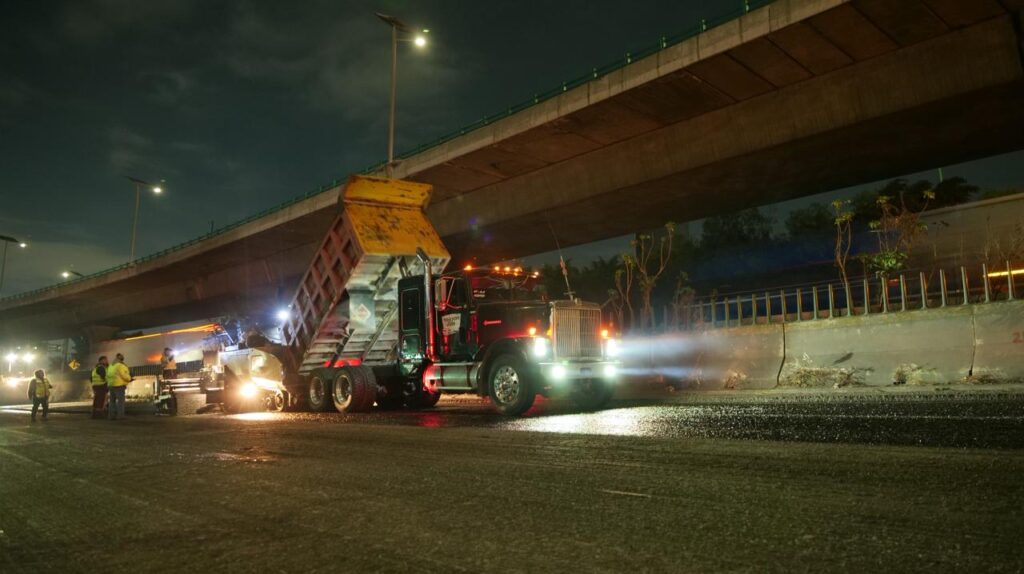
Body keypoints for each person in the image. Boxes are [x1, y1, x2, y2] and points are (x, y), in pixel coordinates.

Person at [106, 353, 132, 420]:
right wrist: (129, 378)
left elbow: (107, 376)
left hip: (111, 385)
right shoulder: (120, 365)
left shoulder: (111, 366)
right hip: (119, 385)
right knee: (120, 402)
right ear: (121, 359)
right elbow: (124, 375)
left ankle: (111, 416)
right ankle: (120, 416)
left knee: (112, 402)